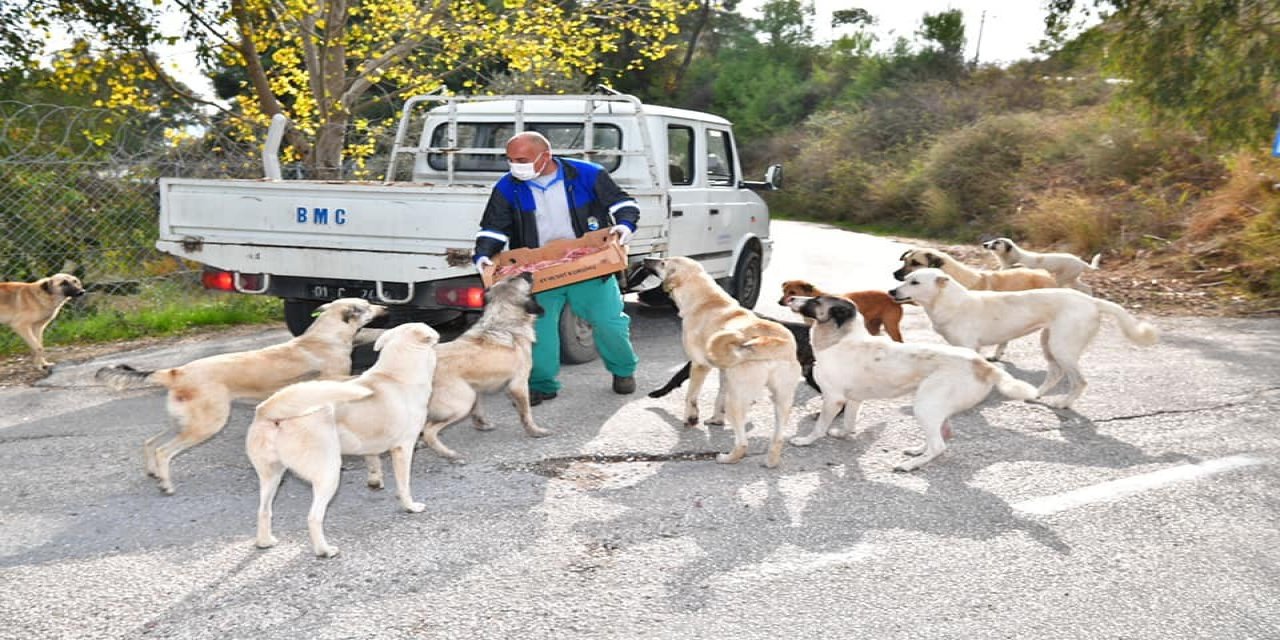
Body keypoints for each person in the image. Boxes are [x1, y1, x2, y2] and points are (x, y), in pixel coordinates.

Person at [472, 131, 639, 405]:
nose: (515, 166)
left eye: (522, 160)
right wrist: (483, 255)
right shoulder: (507, 186)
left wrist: (625, 225)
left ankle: (623, 371)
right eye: (510, 159)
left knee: (609, 323)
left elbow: (623, 203)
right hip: (539, 271)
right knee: (540, 331)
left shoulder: (587, 174)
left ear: (546, 156)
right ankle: (541, 384)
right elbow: (493, 227)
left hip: (589, 266)